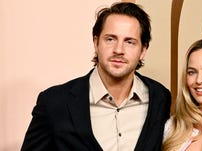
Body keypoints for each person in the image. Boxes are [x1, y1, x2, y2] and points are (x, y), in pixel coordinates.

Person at [21, 2, 171, 151]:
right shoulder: (54, 103)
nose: (119, 49)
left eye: (129, 42)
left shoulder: (160, 98)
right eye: (110, 39)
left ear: (143, 50)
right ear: (96, 42)